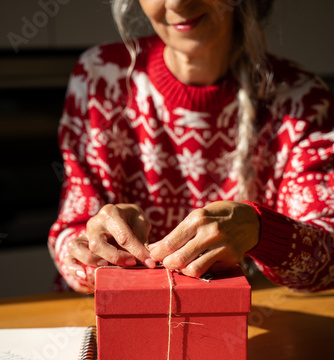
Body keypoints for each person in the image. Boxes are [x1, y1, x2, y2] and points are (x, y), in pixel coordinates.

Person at [48, 0, 334, 294]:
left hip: (239, 325)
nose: (175, 2)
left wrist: (260, 231)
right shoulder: (100, 76)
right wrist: (94, 248)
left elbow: (327, 261)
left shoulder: (303, 102)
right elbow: (69, 237)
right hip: (98, 320)